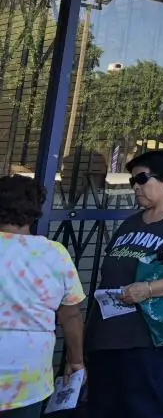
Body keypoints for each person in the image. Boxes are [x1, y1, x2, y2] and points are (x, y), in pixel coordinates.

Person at [86, 150, 163, 418]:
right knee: (102, 408)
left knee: (143, 409)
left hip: (146, 339)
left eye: (142, 179)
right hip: (107, 336)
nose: (136, 187)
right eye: (133, 181)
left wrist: (148, 290)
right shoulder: (131, 223)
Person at [0, 176, 85, 418]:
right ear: (37, 210)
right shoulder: (55, 254)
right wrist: (76, 361)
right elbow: (71, 316)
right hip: (28, 378)